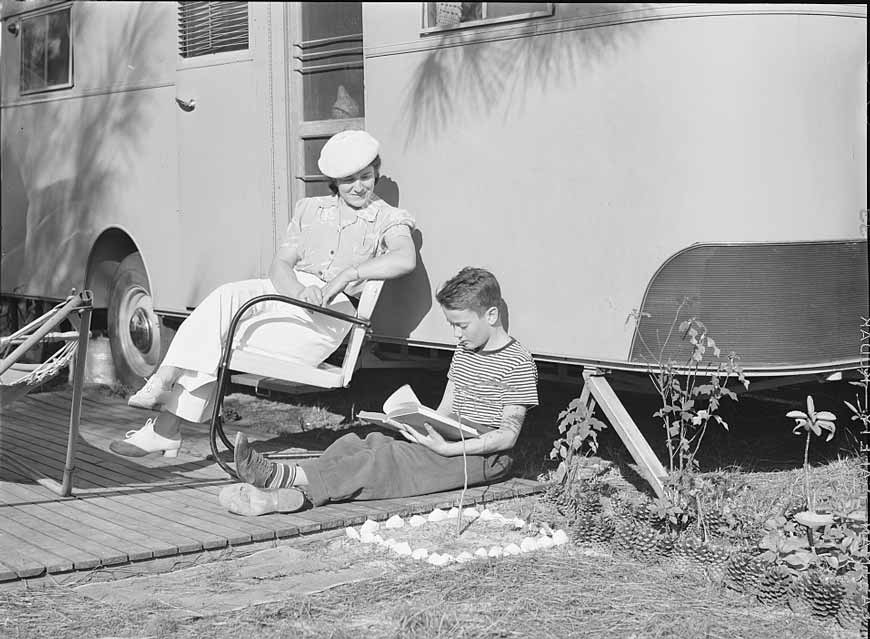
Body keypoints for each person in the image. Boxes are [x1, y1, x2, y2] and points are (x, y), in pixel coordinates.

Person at [110, 130, 416, 458]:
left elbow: (404, 258)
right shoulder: (309, 210)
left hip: (331, 313)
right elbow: (280, 265)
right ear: (334, 182)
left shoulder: (388, 218)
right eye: (349, 180)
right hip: (286, 291)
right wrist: (298, 290)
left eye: (366, 177)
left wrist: (349, 274)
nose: (359, 187)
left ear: (376, 174)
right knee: (225, 298)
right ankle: (165, 395)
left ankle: (165, 424)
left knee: (215, 337)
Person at [218, 267, 539, 516]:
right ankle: (291, 495)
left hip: (483, 455)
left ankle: (279, 477)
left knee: (388, 460)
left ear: (492, 315)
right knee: (363, 441)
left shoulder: (517, 362)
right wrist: (416, 424)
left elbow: (507, 438)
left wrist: (444, 450)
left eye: (462, 325)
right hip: (451, 434)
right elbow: (445, 409)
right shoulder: (465, 352)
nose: (456, 335)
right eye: (452, 325)